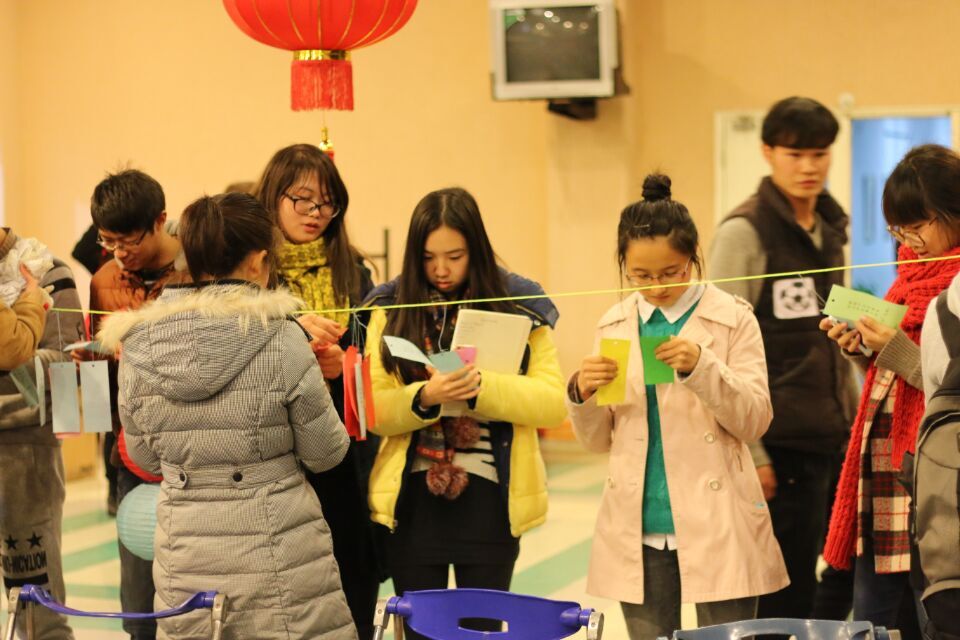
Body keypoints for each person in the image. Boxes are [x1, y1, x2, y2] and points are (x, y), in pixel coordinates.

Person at [99, 192, 356, 640]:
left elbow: (144, 456)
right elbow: (326, 452)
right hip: (279, 556)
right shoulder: (282, 338)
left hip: (185, 558)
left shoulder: (138, 344)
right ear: (258, 262)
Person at [568, 175, 786, 640]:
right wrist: (582, 394)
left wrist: (703, 367)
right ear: (624, 265)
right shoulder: (615, 324)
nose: (657, 287)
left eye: (671, 272)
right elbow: (598, 441)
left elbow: (754, 420)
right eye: (641, 276)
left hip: (718, 517)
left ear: (693, 257)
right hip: (639, 521)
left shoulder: (732, 318)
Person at [364, 187, 566, 639]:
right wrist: (425, 396)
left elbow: (552, 402)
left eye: (454, 256)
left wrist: (479, 389)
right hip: (411, 505)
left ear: (476, 248)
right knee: (419, 631)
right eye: (428, 258)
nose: (441, 269)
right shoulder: (390, 307)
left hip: (493, 503)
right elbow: (375, 409)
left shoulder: (520, 303)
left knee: (481, 630)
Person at [709, 96, 855, 618]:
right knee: (783, 595)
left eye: (820, 153)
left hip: (833, 435)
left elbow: (835, 332)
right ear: (768, 152)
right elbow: (717, 352)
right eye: (796, 154)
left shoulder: (831, 226)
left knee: (845, 574)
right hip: (778, 442)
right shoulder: (744, 231)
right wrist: (755, 453)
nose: (809, 166)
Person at [822, 144, 960, 639]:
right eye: (897, 230)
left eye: (917, 226)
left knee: (936, 612)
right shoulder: (906, 280)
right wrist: (862, 352)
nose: (908, 241)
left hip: (936, 477)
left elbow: (950, 390)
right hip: (882, 473)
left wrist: (895, 349)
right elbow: (894, 385)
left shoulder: (955, 291)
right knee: (871, 620)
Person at [255, 143, 380, 638]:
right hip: (276, 448)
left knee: (351, 569)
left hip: (344, 445)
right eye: (302, 199)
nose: (315, 213)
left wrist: (340, 367)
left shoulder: (355, 270)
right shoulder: (253, 272)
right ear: (273, 195)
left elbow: (371, 358)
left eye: (327, 203)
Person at [83, 169, 188, 640]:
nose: (120, 252)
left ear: (160, 221)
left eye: (129, 241)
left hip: (192, 452)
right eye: (109, 242)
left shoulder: (195, 270)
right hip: (132, 454)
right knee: (138, 596)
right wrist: (98, 357)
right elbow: (101, 370)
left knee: (193, 588)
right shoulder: (104, 280)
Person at [0, 229, 83, 640]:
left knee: (35, 606)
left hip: (23, 448)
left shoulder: (46, 269)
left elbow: (69, 363)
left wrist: (13, 355)